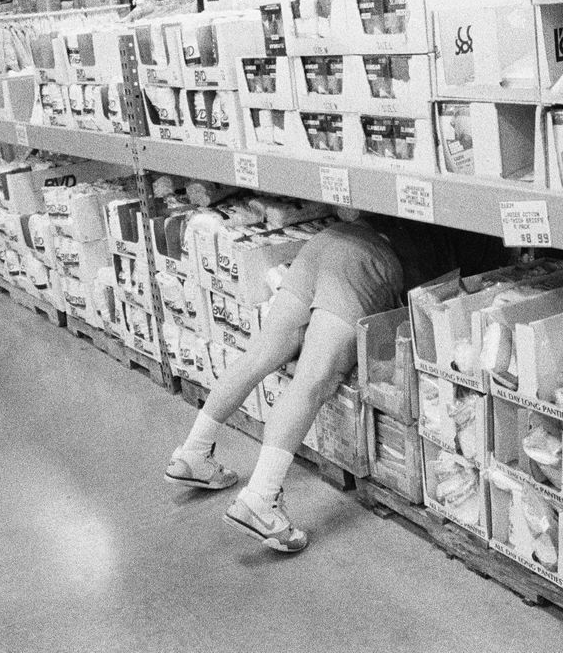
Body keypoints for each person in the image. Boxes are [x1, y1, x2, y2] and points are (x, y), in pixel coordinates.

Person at [164, 209, 509, 553]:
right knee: (313, 381)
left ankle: (192, 454)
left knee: (258, 356)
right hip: (363, 263)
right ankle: (260, 500)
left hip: (330, 242)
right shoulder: (492, 242)